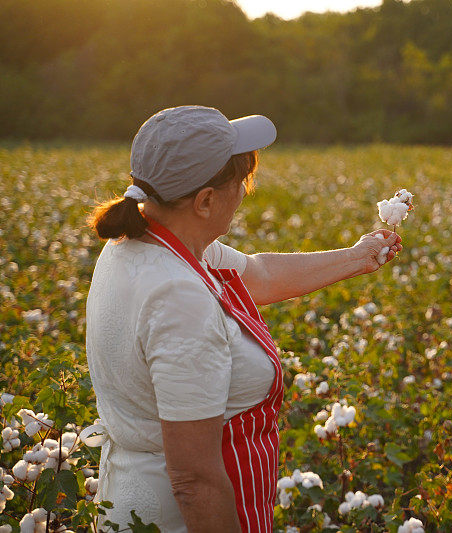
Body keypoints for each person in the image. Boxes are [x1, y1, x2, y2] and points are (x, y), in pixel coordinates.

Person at [83, 105, 401, 532]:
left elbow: (260, 274)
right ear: (206, 201)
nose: (247, 192)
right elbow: (194, 480)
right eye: (242, 182)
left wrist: (358, 256)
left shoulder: (141, 242)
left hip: (133, 496)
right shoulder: (179, 298)